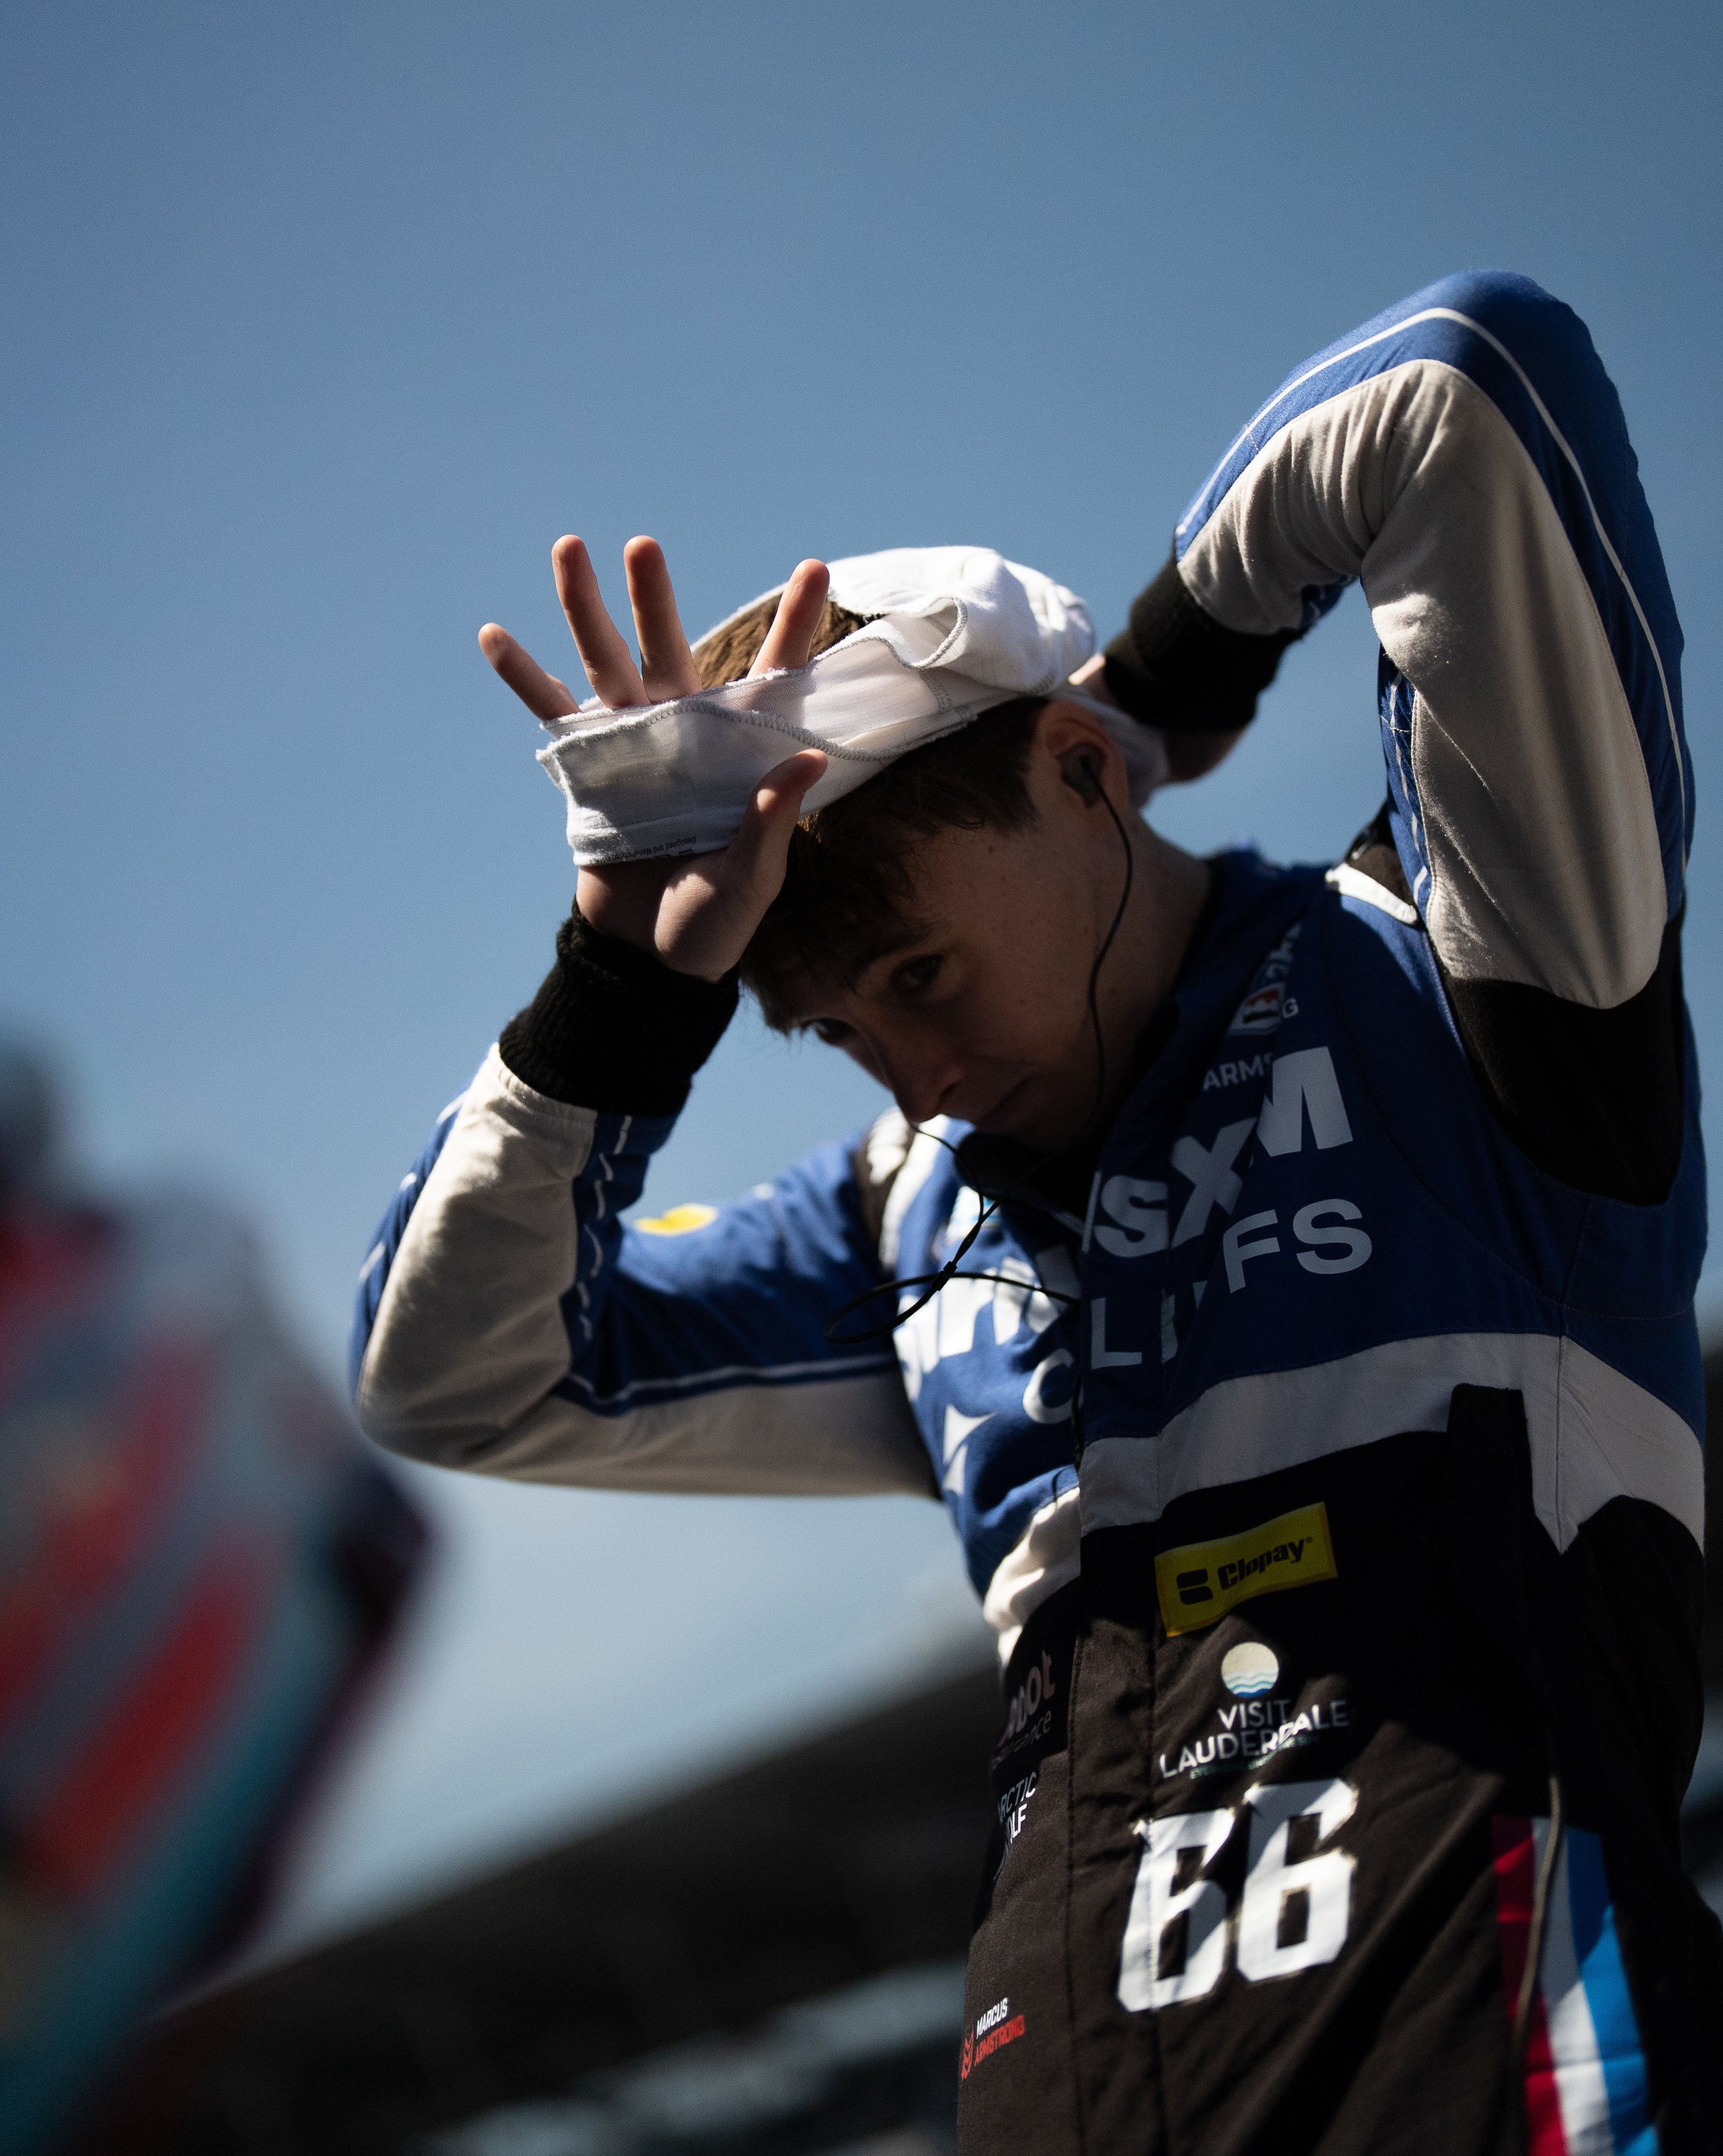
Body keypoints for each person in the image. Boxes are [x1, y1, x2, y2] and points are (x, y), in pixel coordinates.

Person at [352, 270, 1719, 2153]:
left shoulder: (1448, 973)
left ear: (1077, 778)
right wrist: (611, 998)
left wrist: (1161, 684)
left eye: (917, 973)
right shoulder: (899, 1216)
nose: (905, 1071)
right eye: (831, 1030)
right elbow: (449, 1384)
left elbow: (1461, 386)